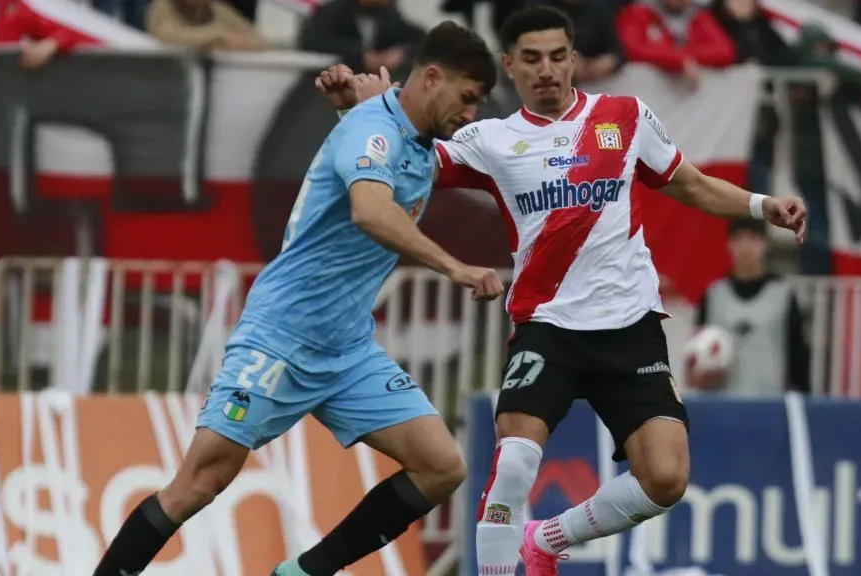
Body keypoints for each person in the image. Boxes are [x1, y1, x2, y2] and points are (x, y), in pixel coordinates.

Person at [317, 7, 807, 576]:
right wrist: (365, 111)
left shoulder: (623, 117)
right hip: (548, 327)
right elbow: (407, 155)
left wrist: (760, 205)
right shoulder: (489, 139)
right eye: (531, 59)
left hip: (630, 328)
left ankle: (548, 538)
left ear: (574, 59)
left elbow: (690, 184)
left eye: (556, 56)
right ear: (510, 67)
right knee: (515, 466)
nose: (546, 70)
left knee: (667, 480)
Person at [90, 21, 500, 576]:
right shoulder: (370, 129)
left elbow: (381, 144)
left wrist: (367, 106)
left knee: (441, 466)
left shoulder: (407, 138)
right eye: (468, 97)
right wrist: (453, 266)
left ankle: (303, 572)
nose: (471, 113)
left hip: (348, 351)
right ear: (432, 78)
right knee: (199, 483)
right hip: (280, 338)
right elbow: (370, 209)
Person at [691, 218, 810, 396]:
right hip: (722, 405)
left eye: (753, 238)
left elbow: (799, 357)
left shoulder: (783, 295)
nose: (745, 247)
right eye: (738, 239)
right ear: (728, 244)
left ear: (765, 243)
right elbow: (697, 356)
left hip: (770, 404)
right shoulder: (713, 296)